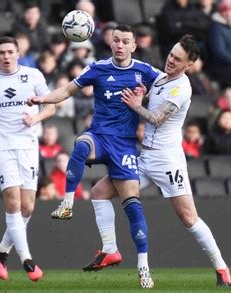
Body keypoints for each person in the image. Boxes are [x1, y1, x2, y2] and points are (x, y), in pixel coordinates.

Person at [84, 34, 231, 288]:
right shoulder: (162, 78)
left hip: (167, 161)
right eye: (171, 54)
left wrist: (135, 104)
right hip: (144, 157)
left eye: (178, 59)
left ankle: (221, 268)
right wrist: (141, 95)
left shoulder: (181, 87)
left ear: (189, 65)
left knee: (188, 217)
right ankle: (110, 249)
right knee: (98, 192)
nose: (171, 60)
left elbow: (156, 119)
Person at [27, 24, 160, 288]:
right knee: (80, 144)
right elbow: (66, 90)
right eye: (116, 40)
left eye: (125, 41)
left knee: (130, 204)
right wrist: (42, 99)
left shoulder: (146, 71)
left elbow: (169, 86)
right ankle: (67, 203)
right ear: (110, 43)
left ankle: (143, 267)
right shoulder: (97, 68)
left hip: (124, 145)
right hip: (99, 136)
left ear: (134, 46)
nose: (120, 45)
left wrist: (146, 101)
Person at [0, 36, 55, 282]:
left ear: (18, 53)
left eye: (10, 52)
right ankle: (27, 260)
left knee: (28, 207)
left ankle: (1, 252)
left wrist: (36, 118)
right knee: (12, 203)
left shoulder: (33, 75)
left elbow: (50, 106)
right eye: (1, 53)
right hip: (3, 146)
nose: (6, 56)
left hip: (28, 146)